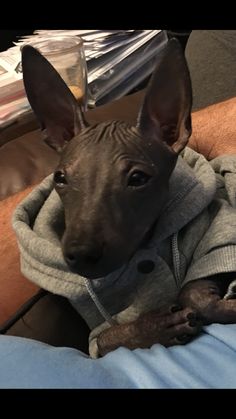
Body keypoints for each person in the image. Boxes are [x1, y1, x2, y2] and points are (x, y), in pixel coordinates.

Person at [1, 30, 236, 388]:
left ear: (173, 129)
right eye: (65, 179)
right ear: (57, 133)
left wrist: (197, 291)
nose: (79, 243)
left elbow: (224, 230)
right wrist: (137, 330)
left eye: (136, 178)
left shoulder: (198, 197)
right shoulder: (54, 259)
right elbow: (98, 338)